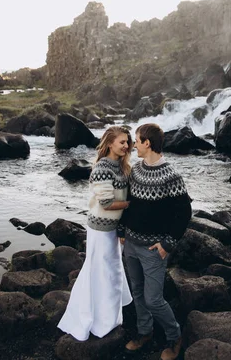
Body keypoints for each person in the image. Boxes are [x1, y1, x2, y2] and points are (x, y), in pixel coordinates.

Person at [118, 123, 192, 360]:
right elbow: (129, 203)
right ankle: (145, 332)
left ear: (147, 142)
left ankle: (174, 337)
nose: (133, 145)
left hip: (153, 250)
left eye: (137, 141)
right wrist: (121, 230)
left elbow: (184, 213)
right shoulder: (137, 170)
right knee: (137, 292)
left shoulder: (171, 175)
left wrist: (167, 244)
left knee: (153, 299)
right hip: (130, 244)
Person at [57, 126, 133, 341]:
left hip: (114, 228)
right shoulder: (102, 168)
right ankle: (99, 320)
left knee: (110, 272)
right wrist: (133, 205)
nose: (126, 146)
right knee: (102, 272)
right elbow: (107, 203)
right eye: (122, 142)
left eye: (127, 142)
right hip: (101, 229)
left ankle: (110, 315)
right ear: (110, 143)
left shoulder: (121, 166)